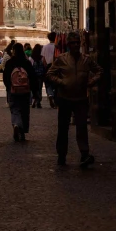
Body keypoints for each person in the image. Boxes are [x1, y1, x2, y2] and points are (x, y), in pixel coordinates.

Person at [47, 31, 100, 168]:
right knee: (63, 128)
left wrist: (91, 82)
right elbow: (50, 74)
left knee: (82, 127)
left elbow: (99, 71)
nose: (76, 45)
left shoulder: (86, 60)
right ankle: (61, 155)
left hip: (81, 98)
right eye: (73, 43)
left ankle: (84, 154)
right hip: (64, 98)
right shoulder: (61, 59)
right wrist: (61, 82)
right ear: (69, 45)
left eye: (77, 42)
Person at [2, 40, 32, 142]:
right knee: (24, 110)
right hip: (25, 90)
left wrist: (8, 87)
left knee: (15, 109)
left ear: (14, 51)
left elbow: (5, 76)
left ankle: (16, 124)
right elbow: (32, 76)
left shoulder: (10, 62)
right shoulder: (26, 62)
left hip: (13, 89)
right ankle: (22, 132)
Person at [41, 31, 58, 108]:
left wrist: (45, 68)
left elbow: (43, 59)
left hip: (48, 66)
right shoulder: (57, 46)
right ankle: (55, 98)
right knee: (56, 83)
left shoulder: (45, 47)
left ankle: (50, 94)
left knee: (48, 84)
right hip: (57, 66)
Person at [29, 43, 45, 108]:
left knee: (33, 89)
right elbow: (44, 66)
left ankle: (34, 100)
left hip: (33, 75)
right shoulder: (42, 58)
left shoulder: (31, 58)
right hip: (40, 75)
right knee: (39, 88)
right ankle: (38, 102)